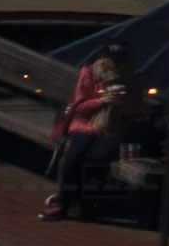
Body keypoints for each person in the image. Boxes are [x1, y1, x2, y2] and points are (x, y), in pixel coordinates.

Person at [41, 47, 134, 221]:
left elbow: (137, 110)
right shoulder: (90, 73)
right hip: (86, 123)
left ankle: (86, 203)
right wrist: (102, 101)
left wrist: (122, 106)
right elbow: (80, 108)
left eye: (122, 60)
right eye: (115, 60)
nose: (119, 64)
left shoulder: (131, 78)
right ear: (103, 58)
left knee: (95, 158)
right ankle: (63, 202)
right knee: (74, 155)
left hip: (115, 127)